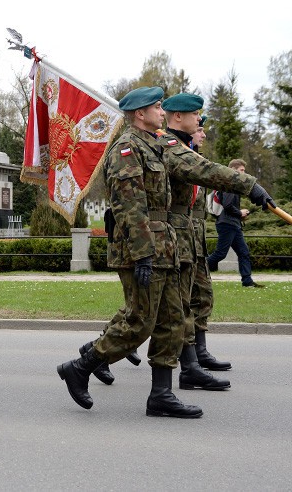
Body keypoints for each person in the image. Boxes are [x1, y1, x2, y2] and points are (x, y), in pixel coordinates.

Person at [56, 87, 272, 418]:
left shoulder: (157, 146)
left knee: (173, 319)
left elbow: (200, 170)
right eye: (157, 107)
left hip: (167, 246)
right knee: (140, 322)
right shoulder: (127, 149)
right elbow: (130, 206)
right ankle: (80, 367)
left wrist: (249, 185)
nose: (162, 112)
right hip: (143, 248)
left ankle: (161, 394)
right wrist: (143, 254)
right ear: (140, 113)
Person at [162, 93, 229, 390]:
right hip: (173, 237)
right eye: (198, 122)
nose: (201, 129)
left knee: (195, 300)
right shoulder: (170, 150)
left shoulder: (189, 154)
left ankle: (194, 359)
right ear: (179, 117)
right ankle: (93, 357)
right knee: (144, 314)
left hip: (192, 236)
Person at [188, 118, 231, 370]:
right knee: (148, 308)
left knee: (202, 296)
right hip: (177, 241)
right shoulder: (175, 155)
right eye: (199, 129)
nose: (203, 135)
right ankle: (97, 355)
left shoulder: (195, 157)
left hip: (195, 240)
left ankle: (199, 352)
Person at [207, 159, 263, 288]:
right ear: (233, 170)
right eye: (242, 170)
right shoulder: (230, 185)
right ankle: (196, 271)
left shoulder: (231, 185)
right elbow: (227, 205)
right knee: (220, 254)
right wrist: (239, 213)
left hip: (233, 224)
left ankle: (247, 281)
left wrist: (239, 215)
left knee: (244, 252)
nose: (244, 173)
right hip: (227, 224)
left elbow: (228, 205)